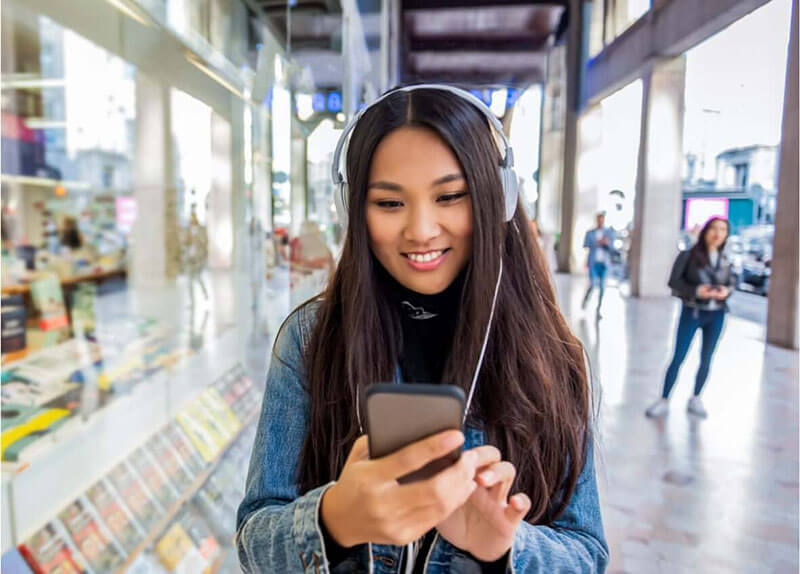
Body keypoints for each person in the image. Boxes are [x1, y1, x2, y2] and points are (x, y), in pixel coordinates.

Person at [236, 86, 608, 573]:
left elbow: (588, 552)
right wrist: (334, 521)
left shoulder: (550, 353)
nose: (421, 230)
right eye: (389, 204)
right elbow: (253, 540)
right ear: (353, 209)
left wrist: (504, 548)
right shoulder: (311, 339)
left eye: (451, 196)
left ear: (500, 199)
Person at [645, 217, 735, 419]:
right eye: (714, 228)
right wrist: (696, 290)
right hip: (692, 312)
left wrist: (726, 291)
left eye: (722, 230)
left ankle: (696, 397)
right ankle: (664, 399)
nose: (717, 233)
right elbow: (674, 282)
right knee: (679, 356)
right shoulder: (688, 255)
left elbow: (732, 284)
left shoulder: (725, 260)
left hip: (717, 314)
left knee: (707, 357)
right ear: (705, 231)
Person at [581, 212, 615, 319]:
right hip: (593, 263)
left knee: (602, 287)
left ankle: (598, 309)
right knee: (592, 284)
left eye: (602, 220)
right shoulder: (590, 233)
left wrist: (606, 243)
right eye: (598, 219)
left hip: (604, 264)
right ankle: (586, 300)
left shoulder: (608, 233)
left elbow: (612, 248)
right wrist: (597, 243)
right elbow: (585, 244)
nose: (600, 221)